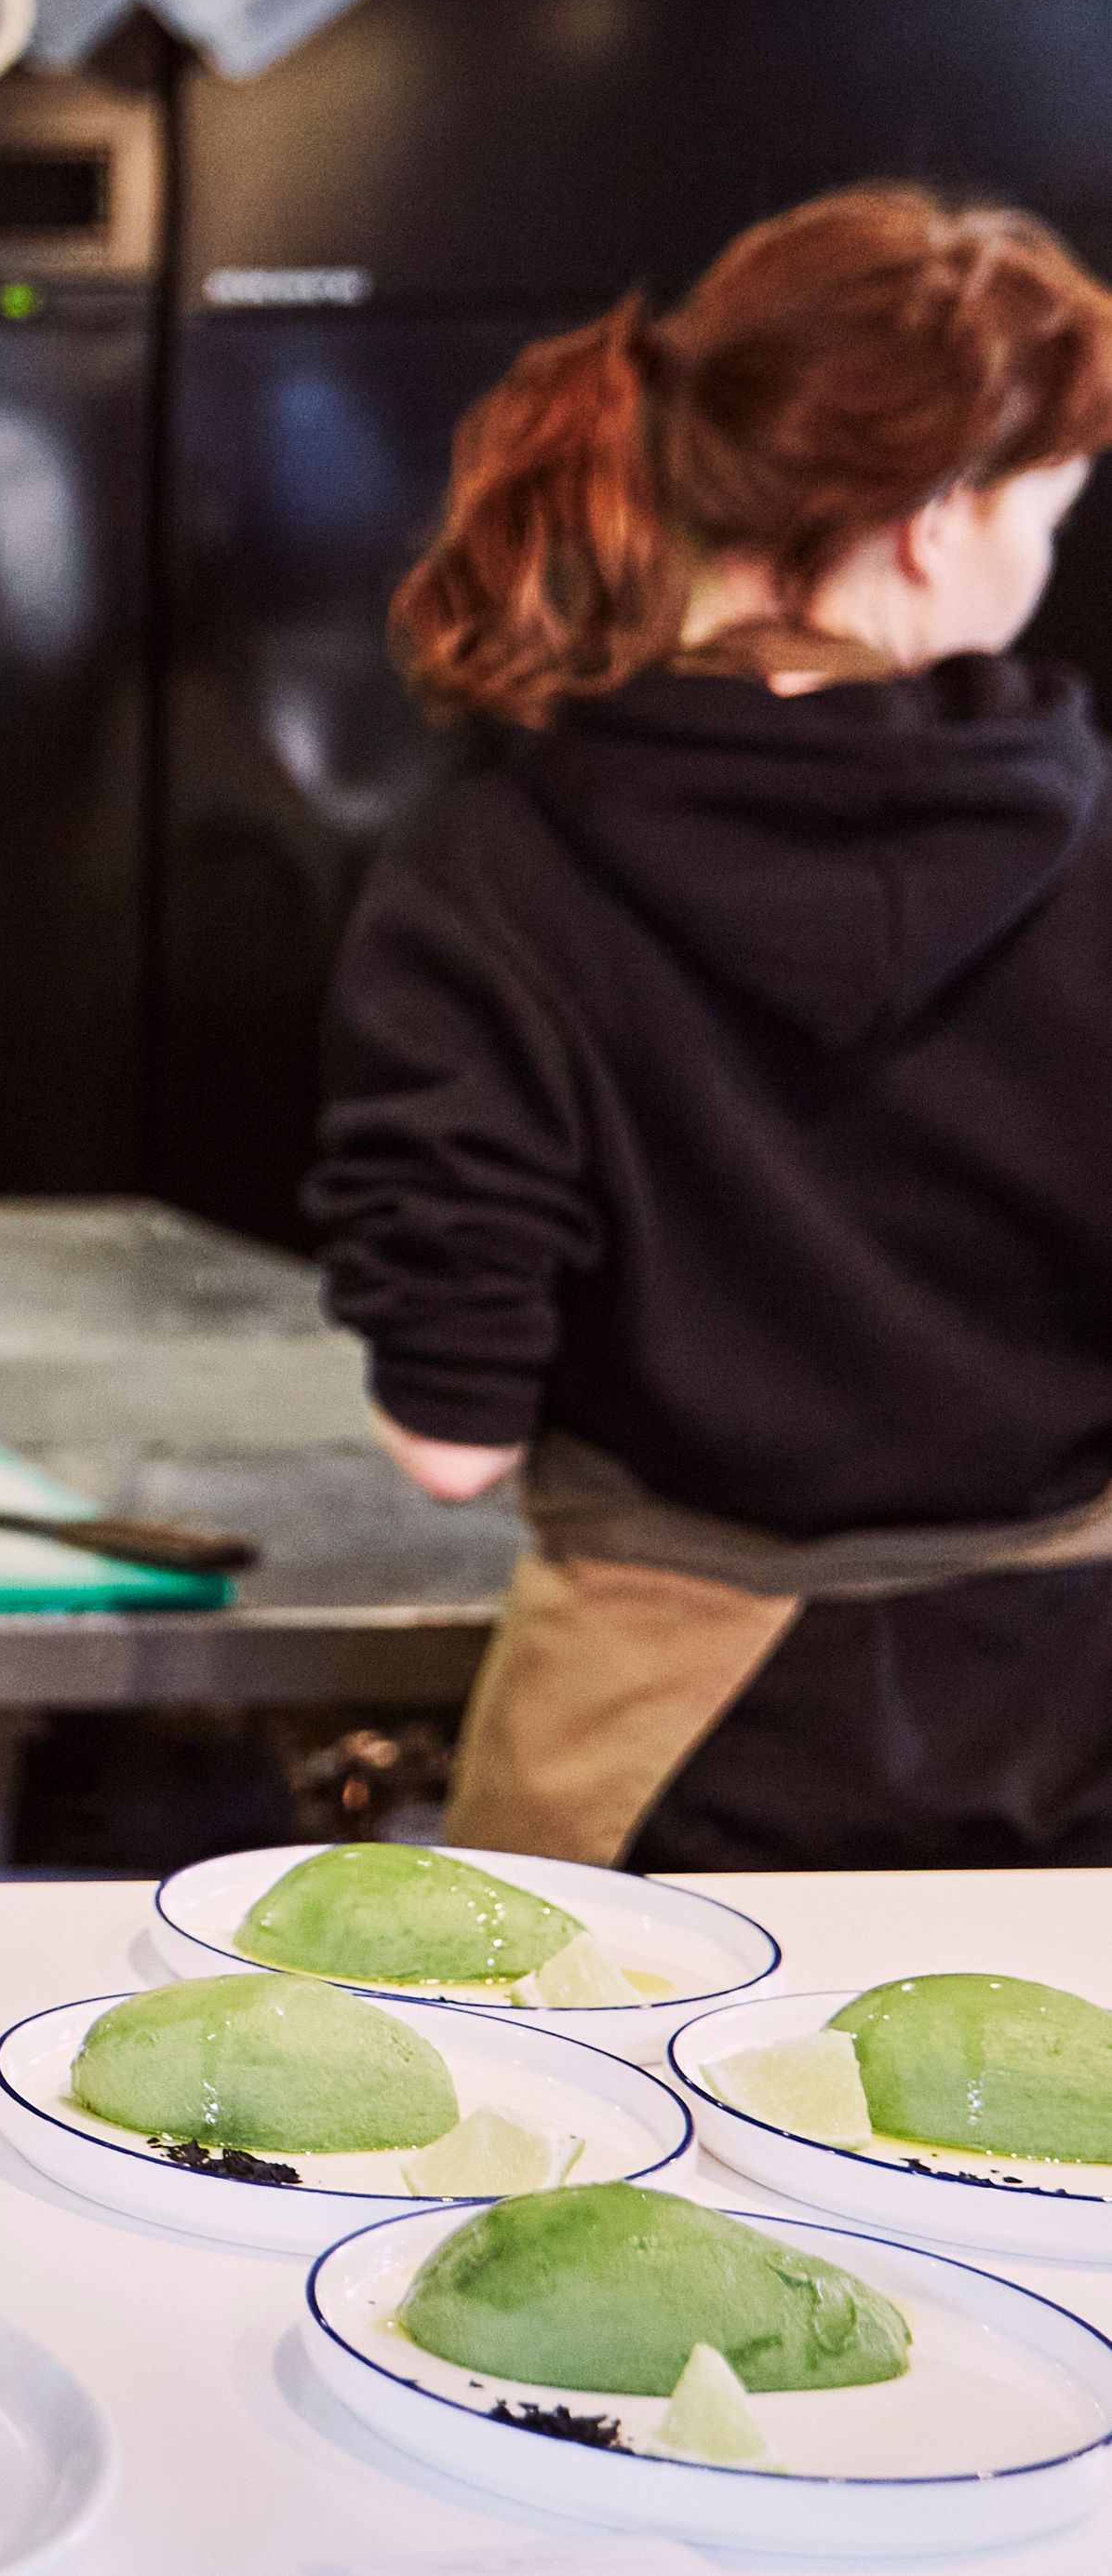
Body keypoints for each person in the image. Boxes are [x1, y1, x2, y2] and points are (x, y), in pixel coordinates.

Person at [313, 184, 1112, 1871]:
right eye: (1046, 513)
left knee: (600, 2138)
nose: (1045, 563)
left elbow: (450, 1445)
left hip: (657, 1753)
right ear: (933, 520)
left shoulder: (495, 864)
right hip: (1075, 1740)